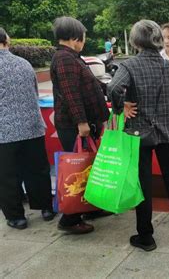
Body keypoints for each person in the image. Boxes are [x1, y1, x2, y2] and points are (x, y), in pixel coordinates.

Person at [108, 20, 169, 252]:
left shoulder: (129, 65)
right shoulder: (168, 66)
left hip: (139, 129)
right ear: (157, 40)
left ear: (135, 41)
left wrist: (120, 107)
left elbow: (113, 88)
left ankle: (146, 236)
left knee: (143, 182)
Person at [50, 17, 110, 235]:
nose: (84, 41)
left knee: (88, 168)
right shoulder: (64, 59)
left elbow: (89, 85)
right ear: (76, 38)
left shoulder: (71, 57)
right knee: (77, 169)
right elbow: (71, 94)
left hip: (82, 123)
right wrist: (82, 123)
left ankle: (89, 207)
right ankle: (70, 218)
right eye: (83, 37)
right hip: (75, 125)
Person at [0, 27, 55, 230]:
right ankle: (46, 209)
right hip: (32, 126)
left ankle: (16, 217)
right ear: (7, 40)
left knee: (7, 176)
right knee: (38, 169)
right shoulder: (24, 64)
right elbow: (34, 92)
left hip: (4, 132)